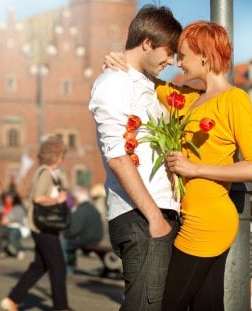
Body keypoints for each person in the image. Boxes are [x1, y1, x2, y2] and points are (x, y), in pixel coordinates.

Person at [104, 21, 252, 310]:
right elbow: (144, 74)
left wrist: (194, 169)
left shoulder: (234, 100)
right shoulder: (188, 99)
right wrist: (118, 59)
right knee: (206, 304)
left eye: (183, 55)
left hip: (209, 221)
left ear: (204, 55)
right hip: (192, 216)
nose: (178, 62)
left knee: (167, 304)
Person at [89, 5, 187, 310]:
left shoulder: (143, 84)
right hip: (141, 216)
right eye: (169, 52)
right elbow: (118, 156)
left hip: (156, 212)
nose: (171, 61)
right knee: (145, 305)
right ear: (147, 42)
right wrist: (155, 218)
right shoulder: (114, 83)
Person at [0, 136, 70, 311]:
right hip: (43, 227)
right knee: (58, 267)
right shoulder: (46, 173)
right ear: (57, 156)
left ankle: (12, 300)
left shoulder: (46, 172)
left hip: (40, 227)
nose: (63, 158)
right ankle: (61, 307)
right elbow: (39, 198)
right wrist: (57, 200)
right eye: (62, 155)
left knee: (40, 266)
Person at [63, 186, 103, 273]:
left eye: (74, 199)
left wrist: (65, 234)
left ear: (78, 199)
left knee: (63, 243)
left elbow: (74, 230)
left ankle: (67, 269)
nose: (73, 201)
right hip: (96, 239)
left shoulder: (82, 210)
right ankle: (70, 266)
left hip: (86, 240)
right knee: (68, 242)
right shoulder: (92, 208)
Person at [0, 191, 26, 259]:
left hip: (15, 227)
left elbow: (18, 217)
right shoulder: (2, 206)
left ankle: (20, 250)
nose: (8, 200)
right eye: (7, 198)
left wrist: (9, 220)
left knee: (13, 237)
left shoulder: (18, 207)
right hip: (4, 227)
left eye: (10, 198)